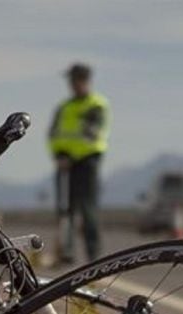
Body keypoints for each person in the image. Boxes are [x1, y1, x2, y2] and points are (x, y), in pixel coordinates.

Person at [48, 63, 111, 264]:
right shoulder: (64, 107)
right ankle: (66, 253)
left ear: (84, 81)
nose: (72, 84)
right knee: (65, 209)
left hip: (87, 162)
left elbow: (92, 134)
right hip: (64, 163)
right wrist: (59, 154)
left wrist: (71, 156)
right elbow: (53, 134)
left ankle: (93, 255)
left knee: (87, 209)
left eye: (75, 80)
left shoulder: (96, 105)